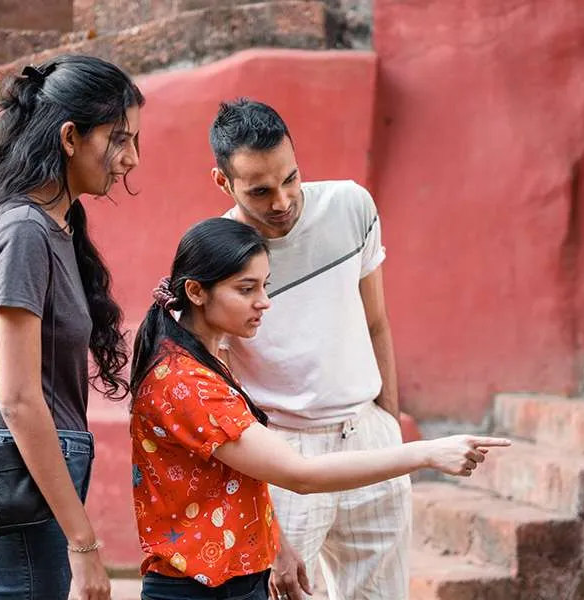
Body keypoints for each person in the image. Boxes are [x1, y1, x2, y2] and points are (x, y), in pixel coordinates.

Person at [129, 217, 510, 600]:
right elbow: (302, 475)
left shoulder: (202, 361)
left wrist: (276, 545)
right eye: (246, 289)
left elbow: (240, 473)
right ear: (196, 292)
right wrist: (426, 452)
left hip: (231, 579)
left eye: (265, 286)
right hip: (198, 588)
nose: (263, 302)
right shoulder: (183, 382)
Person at [0, 55, 144, 600]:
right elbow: (22, 399)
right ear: (70, 137)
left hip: (26, 486)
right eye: (119, 139)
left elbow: (15, 377)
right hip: (24, 506)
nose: (131, 159)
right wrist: (85, 544)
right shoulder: (26, 230)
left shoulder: (45, 225)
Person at [207, 98, 412, 600]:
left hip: (369, 438)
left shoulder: (351, 206)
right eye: (260, 190)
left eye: (290, 178)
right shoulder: (214, 257)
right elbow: (218, 387)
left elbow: (376, 320)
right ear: (223, 182)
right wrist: (269, 530)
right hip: (280, 454)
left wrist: (388, 425)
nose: (282, 201)